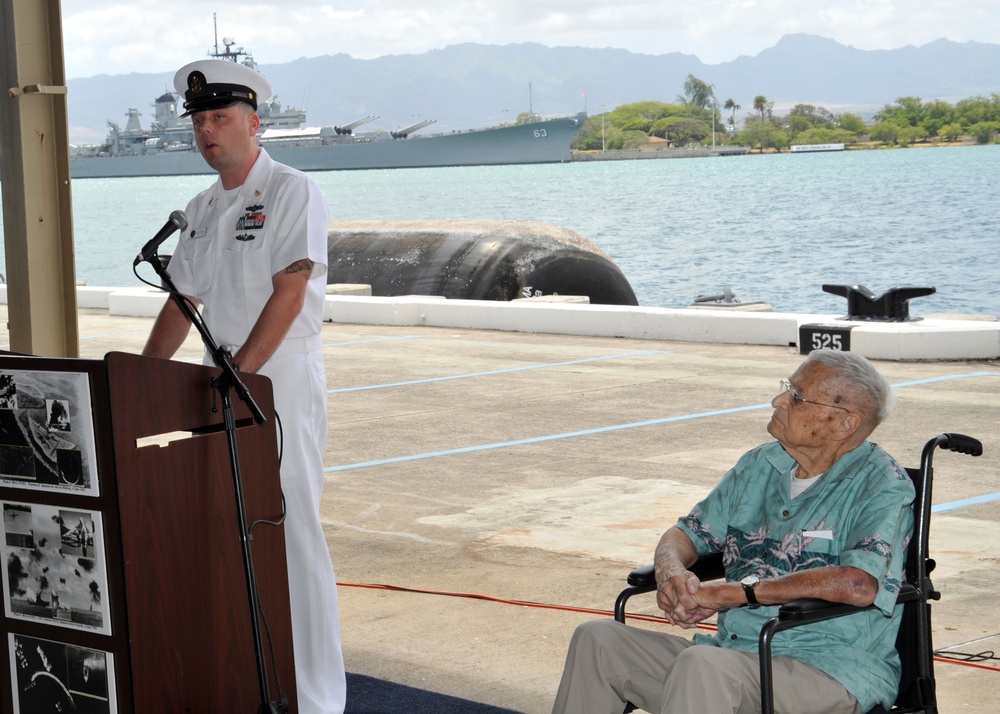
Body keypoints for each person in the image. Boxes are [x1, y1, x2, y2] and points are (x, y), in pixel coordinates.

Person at [141, 58, 345, 713]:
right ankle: (245, 676)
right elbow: (183, 301)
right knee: (226, 529)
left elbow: (289, 293)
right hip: (220, 388)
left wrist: (245, 377)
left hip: (276, 384)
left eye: (220, 118)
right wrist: (142, 383)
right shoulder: (201, 209)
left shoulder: (293, 191)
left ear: (254, 122)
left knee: (288, 526)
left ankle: (314, 694)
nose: (207, 131)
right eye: (199, 120)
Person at [552, 349, 914, 714]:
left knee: (703, 667)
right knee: (598, 640)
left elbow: (858, 584)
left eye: (796, 396)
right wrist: (672, 573)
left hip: (828, 666)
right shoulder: (759, 465)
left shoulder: (881, 484)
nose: (778, 400)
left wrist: (737, 594)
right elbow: (684, 535)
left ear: (843, 424)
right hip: (734, 653)